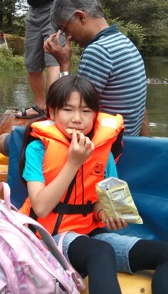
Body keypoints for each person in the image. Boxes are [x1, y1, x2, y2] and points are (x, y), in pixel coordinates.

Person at [19, 75, 168, 294]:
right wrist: (73, 163)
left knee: (164, 253)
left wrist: (107, 215)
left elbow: (102, 205)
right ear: (52, 112)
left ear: (95, 115)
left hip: (89, 236)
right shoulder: (37, 150)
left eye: (86, 111)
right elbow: (40, 207)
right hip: (48, 239)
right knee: (100, 251)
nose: (77, 119)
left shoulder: (102, 153)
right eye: (68, 110)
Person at [44, 0, 149, 137]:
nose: (69, 37)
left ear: (80, 17)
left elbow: (66, 108)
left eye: (65, 29)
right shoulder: (125, 42)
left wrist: (64, 62)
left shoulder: (98, 50)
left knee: (5, 141)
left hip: (106, 146)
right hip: (127, 140)